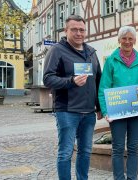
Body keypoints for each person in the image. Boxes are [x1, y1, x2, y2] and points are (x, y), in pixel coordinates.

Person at [43, 15, 102, 180]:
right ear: (66, 31)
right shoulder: (57, 50)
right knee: (66, 152)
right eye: (74, 29)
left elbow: (98, 80)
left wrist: (99, 106)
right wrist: (71, 81)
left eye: (82, 30)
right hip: (67, 111)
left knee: (85, 152)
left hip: (89, 112)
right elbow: (48, 78)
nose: (78, 33)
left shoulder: (91, 52)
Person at [98, 26, 138, 180]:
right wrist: (106, 111)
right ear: (119, 40)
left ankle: (132, 178)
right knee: (118, 148)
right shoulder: (111, 61)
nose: (127, 41)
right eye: (124, 38)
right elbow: (104, 87)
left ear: (135, 40)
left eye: (130, 38)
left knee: (133, 148)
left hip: (136, 112)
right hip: (116, 112)